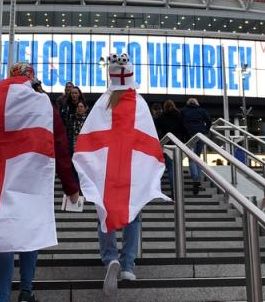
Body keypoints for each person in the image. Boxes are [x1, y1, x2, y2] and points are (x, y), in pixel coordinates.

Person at [0, 63, 80, 302]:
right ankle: (26, 289)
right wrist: (70, 186)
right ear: (32, 79)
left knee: (5, 238)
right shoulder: (43, 103)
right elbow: (59, 145)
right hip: (34, 179)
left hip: (2, 177)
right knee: (30, 233)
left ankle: (2, 296)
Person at [74, 53, 167, 296]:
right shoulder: (140, 103)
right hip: (132, 170)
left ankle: (109, 257)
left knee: (105, 213)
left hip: (106, 171)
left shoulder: (103, 102)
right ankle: (128, 265)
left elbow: (88, 138)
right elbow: (149, 139)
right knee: (133, 214)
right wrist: (152, 166)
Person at [155, 99, 187, 197]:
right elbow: (185, 128)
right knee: (177, 167)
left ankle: (174, 190)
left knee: (170, 168)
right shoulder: (180, 115)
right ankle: (178, 189)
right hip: (178, 143)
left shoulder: (161, 117)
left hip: (167, 143)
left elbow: (156, 129)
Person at [181, 97, 211, 194]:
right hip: (200, 135)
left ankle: (196, 180)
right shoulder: (201, 110)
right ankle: (198, 179)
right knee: (197, 157)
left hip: (189, 135)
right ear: (196, 103)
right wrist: (206, 130)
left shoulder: (183, 111)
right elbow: (209, 121)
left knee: (191, 158)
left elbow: (180, 123)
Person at [58, 84, 87, 156]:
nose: (73, 95)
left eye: (75, 93)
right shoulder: (66, 106)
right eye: (72, 93)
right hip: (70, 135)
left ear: (79, 94)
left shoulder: (84, 105)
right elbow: (62, 119)